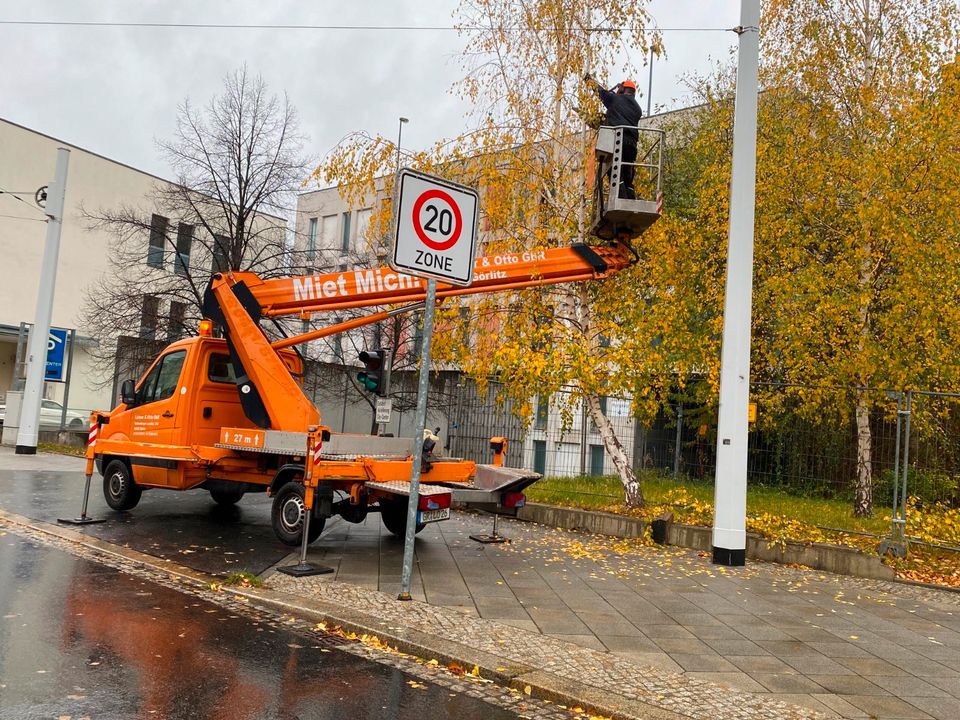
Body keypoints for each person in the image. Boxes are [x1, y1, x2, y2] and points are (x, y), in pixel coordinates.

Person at [585, 74, 642, 199]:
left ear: (622, 89)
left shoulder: (615, 100)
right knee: (628, 176)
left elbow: (601, 92)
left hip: (618, 141)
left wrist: (589, 81)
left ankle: (620, 198)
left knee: (614, 172)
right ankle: (631, 200)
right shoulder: (638, 109)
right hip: (632, 145)